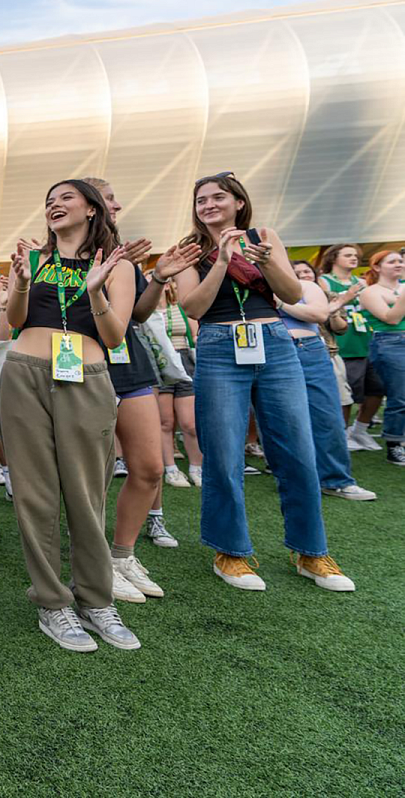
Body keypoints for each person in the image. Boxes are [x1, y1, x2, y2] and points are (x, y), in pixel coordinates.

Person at [175, 173, 354, 592]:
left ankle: (312, 553)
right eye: (201, 199)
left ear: (239, 202)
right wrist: (220, 259)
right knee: (222, 452)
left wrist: (268, 260)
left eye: (218, 197)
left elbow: (292, 294)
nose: (208, 205)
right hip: (219, 344)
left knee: (297, 449)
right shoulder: (188, 249)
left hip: (275, 340)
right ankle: (230, 553)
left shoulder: (264, 235)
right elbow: (195, 306)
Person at [0, 180, 141, 652]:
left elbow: (115, 336)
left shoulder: (116, 265)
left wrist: (95, 290)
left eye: (66, 198)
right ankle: (52, 604)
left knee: (86, 493)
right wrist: (19, 283)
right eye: (48, 200)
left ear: (92, 209)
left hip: (87, 374)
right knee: (35, 495)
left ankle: (96, 600)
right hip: (24, 373)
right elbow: (14, 322)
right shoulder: (34, 259)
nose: (54, 205)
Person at [83, 177, 197, 601]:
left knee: (149, 468)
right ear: (91, 205)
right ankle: (94, 562)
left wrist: (155, 279)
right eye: (110, 198)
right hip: (85, 369)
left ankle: (121, 555)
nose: (119, 204)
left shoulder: (125, 256)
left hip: (130, 367)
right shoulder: (59, 257)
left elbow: (136, 315)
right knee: (93, 476)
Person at [278, 261, 376, 501]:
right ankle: (297, 480)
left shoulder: (306, 287)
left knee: (327, 417)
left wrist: (279, 302)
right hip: (272, 350)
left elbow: (318, 314)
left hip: (310, 350)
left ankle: (336, 480)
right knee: (283, 420)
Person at [316, 244, 384, 451]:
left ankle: (360, 430)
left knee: (378, 388)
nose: (354, 258)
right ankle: (342, 434)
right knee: (347, 392)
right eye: (348, 255)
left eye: (355, 255)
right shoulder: (323, 281)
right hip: (342, 344)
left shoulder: (362, 282)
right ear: (334, 258)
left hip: (366, 340)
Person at [155, 279, 203, 489]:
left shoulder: (180, 308)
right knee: (165, 422)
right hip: (159, 362)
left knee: (190, 423)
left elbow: (194, 335)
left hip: (184, 361)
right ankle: (171, 469)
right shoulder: (145, 311)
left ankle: (196, 467)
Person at [360, 249, 405, 467]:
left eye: (400, 261)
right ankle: (395, 444)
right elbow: (391, 319)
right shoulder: (370, 292)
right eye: (392, 261)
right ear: (377, 267)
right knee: (400, 396)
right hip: (392, 342)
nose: (399, 264)